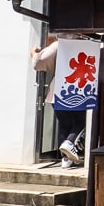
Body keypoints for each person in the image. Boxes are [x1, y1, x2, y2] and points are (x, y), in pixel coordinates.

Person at [30, 35, 85, 168]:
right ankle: (69, 143)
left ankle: (65, 159)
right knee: (82, 121)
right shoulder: (88, 44)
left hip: (59, 90)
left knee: (64, 123)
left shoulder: (59, 44)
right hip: (80, 89)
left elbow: (38, 61)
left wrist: (33, 53)